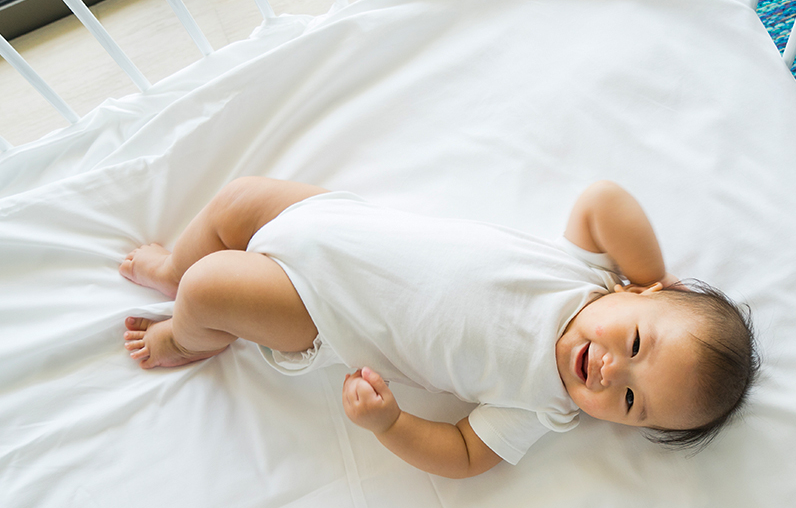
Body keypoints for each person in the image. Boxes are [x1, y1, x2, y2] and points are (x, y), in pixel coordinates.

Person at [120, 177, 756, 479]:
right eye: (637, 342)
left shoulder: (544, 405)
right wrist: (651, 273)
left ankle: (183, 338)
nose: (613, 371)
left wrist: (390, 424)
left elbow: (465, 455)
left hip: (316, 308)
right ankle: (172, 268)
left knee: (212, 288)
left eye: (630, 401)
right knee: (237, 201)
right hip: (336, 226)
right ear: (638, 294)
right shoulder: (586, 273)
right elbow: (605, 198)